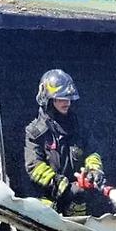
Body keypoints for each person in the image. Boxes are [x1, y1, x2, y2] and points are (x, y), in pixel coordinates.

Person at [24, 69, 107, 217]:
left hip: (76, 200)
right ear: (48, 99)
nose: (67, 102)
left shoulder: (79, 127)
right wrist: (58, 183)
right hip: (47, 201)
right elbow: (34, 166)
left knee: (80, 215)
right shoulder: (35, 132)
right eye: (61, 98)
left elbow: (92, 153)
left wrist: (94, 171)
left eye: (68, 98)